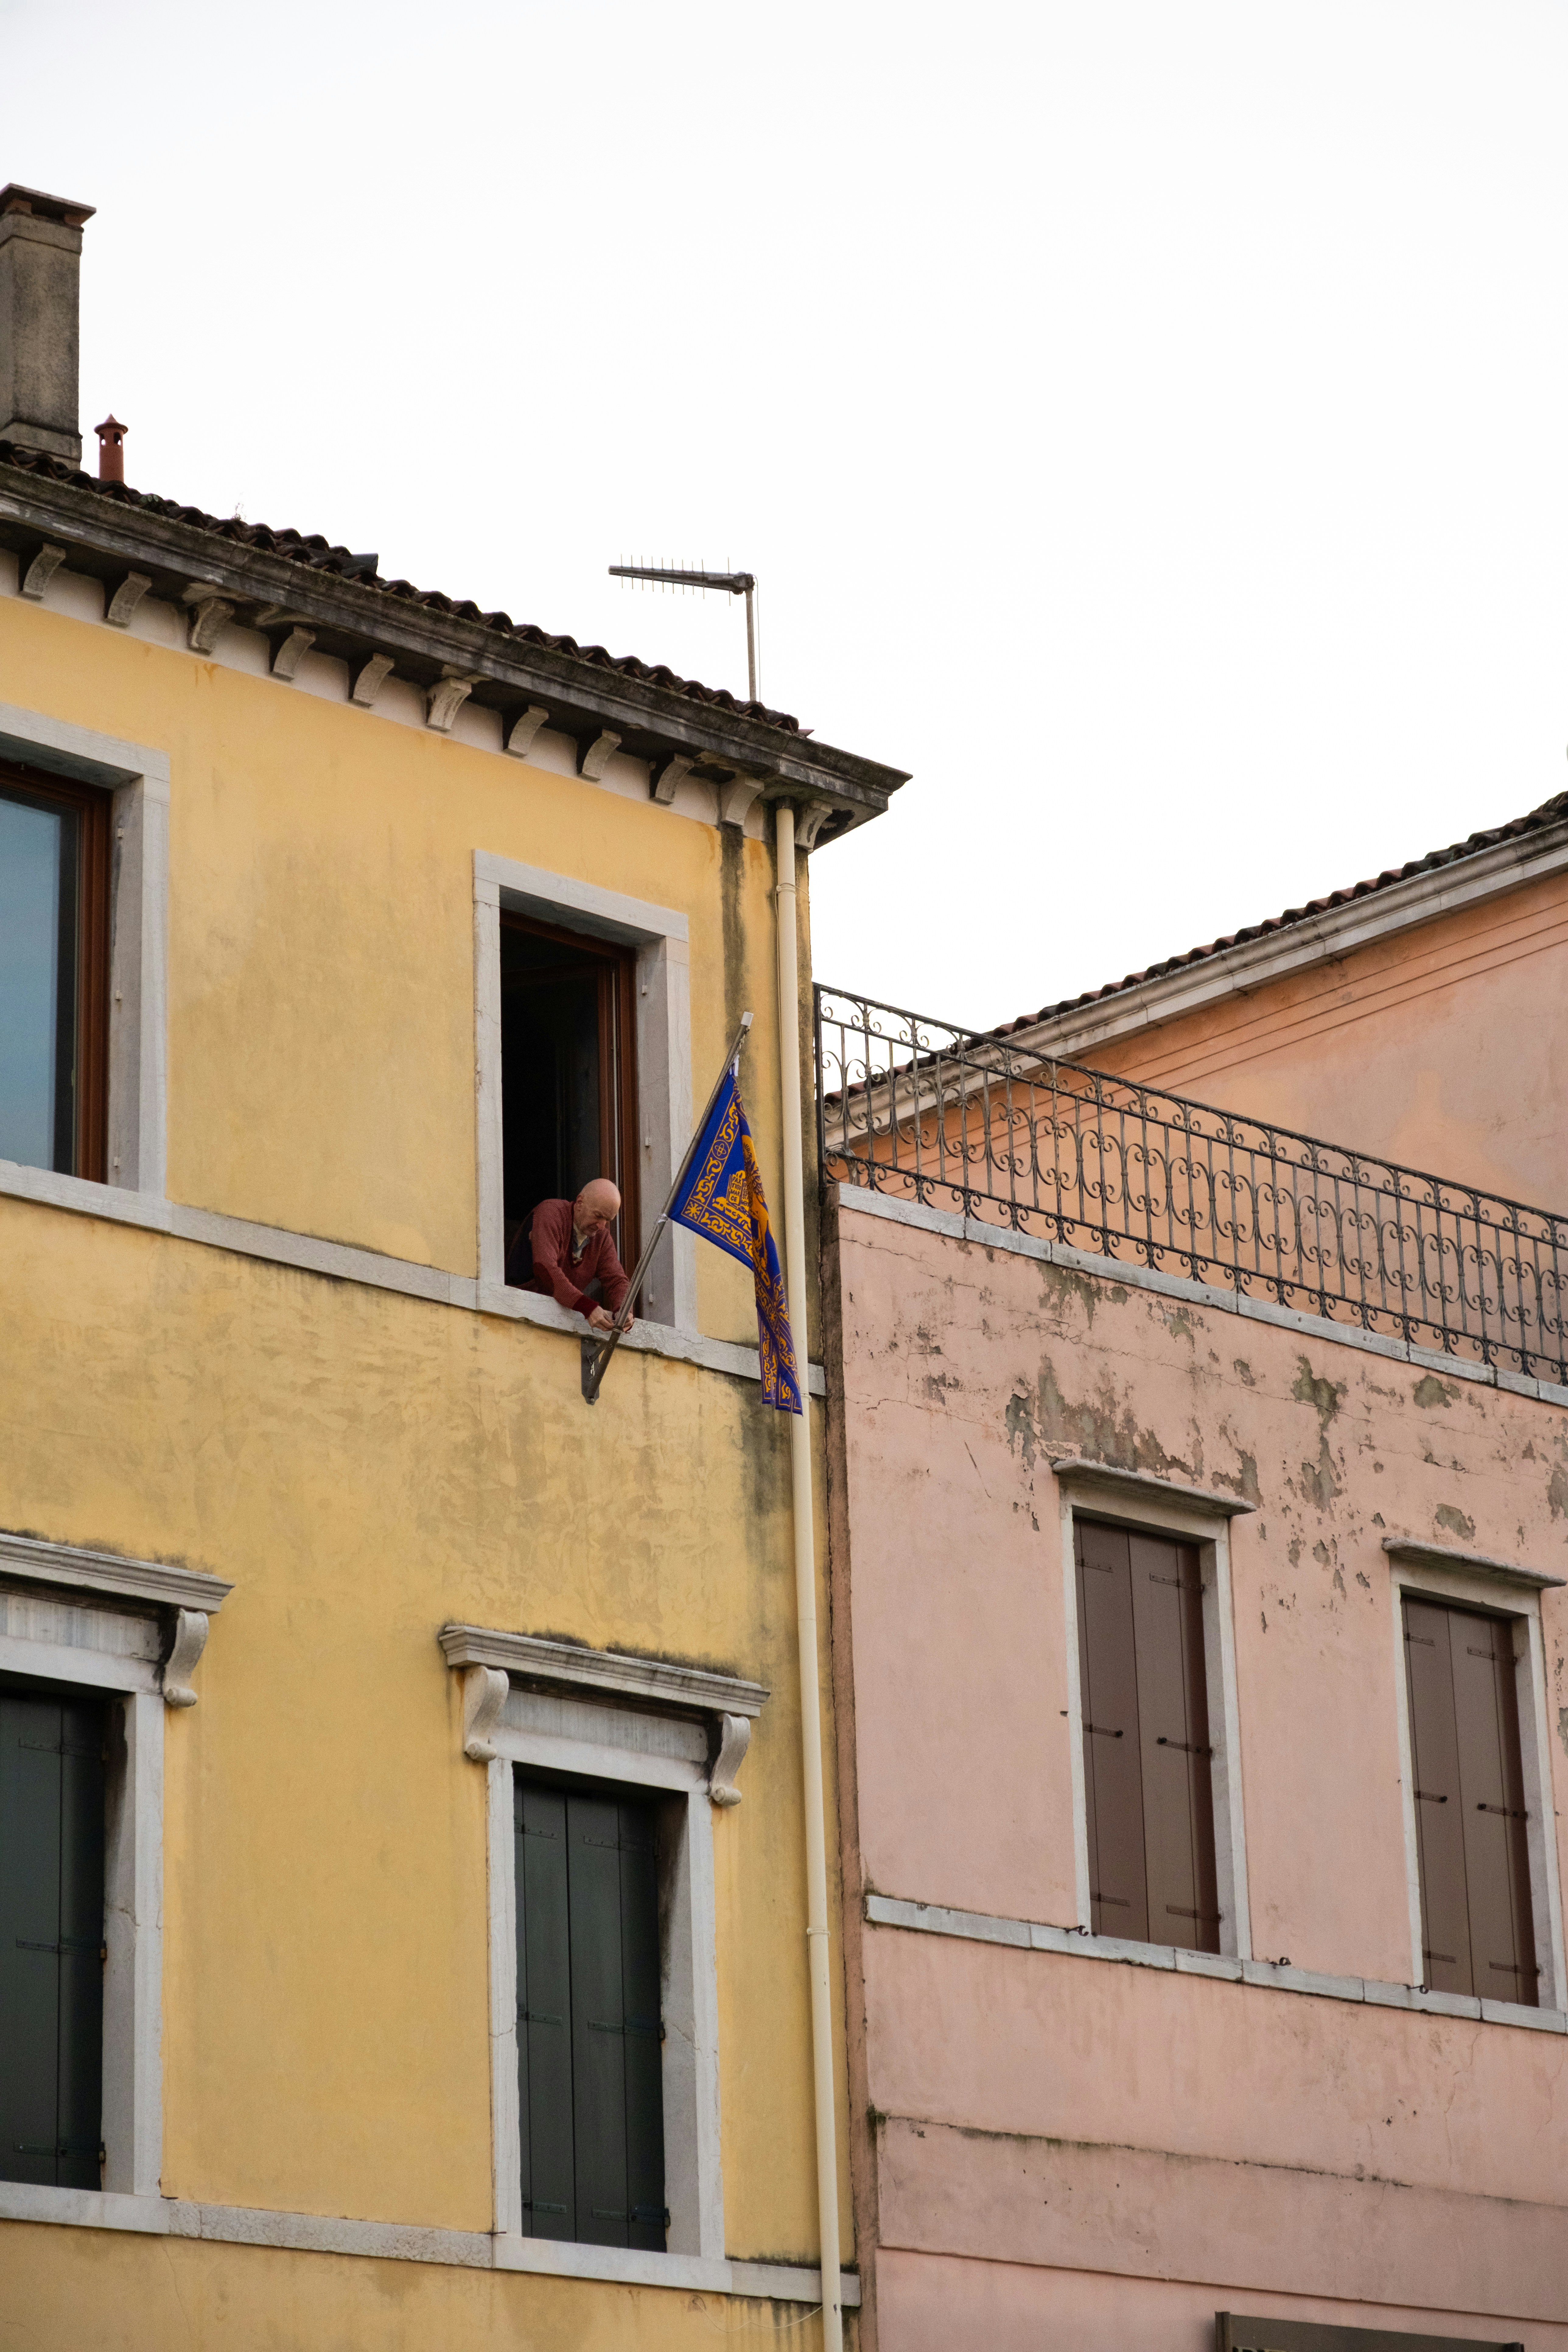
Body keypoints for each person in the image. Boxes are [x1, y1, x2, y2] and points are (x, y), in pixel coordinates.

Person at [513, 1178, 631, 1333]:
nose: (602, 1226)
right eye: (598, 1216)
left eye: (608, 1220)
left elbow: (617, 1280)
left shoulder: (602, 1239)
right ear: (580, 1202)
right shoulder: (550, 1213)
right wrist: (588, 1308)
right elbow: (545, 1270)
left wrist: (624, 1311)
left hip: (558, 1328)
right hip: (518, 1317)